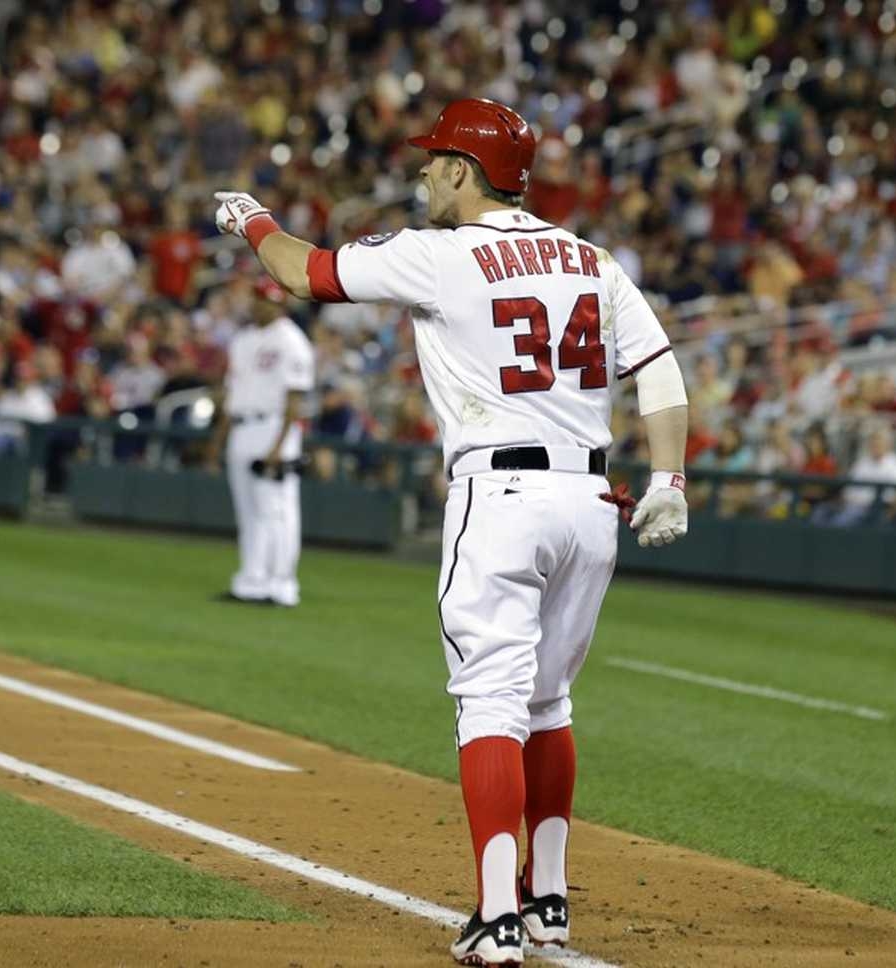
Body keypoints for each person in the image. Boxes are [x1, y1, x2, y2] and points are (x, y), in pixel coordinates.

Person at [213, 98, 689, 967]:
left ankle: (498, 918)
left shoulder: (440, 254)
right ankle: (547, 906)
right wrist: (671, 478)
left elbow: (301, 273)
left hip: (499, 495)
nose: (424, 171)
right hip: (589, 503)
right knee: (550, 703)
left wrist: (251, 219)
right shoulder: (590, 259)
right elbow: (659, 370)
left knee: (490, 707)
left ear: (464, 172)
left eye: (435, 160)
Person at [205, 277, 314, 608]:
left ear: (280, 304)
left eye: (265, 299)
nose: (258, 304)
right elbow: (231, 394)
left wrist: (279, 447)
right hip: (242, 427)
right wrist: (217, 442)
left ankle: (281, 585)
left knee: (276, 511)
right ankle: (251, 581)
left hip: (273, 427)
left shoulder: (292, 340)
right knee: (249, 511)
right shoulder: (243, 339)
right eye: (256, 298)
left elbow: (294, 398)